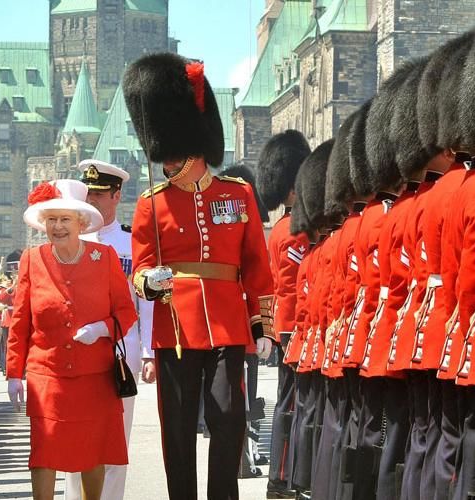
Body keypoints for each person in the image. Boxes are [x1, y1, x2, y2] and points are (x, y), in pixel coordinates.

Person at [124, 53, 275, 500]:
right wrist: (149, 282)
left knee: (229, 418)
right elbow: (140, 269)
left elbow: (256, 264)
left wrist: (263, 323)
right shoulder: (151, 202)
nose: (168, 165)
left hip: (227, 323)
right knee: (177, 429)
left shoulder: (237, 194)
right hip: (175, 327)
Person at [6, 179, 137, 500]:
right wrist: (13, 374)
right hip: (46, 374)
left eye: (65, 219)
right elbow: (20, 320)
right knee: (44, 452)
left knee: (92, 451)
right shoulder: (32, 259)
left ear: (81, 223)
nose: (58, 227)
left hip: (94, 376)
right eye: (51, 219)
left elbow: (126, 312)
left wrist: (101, 329)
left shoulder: (104, 257)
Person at [63, 159, 156, 500]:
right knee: (75, 439)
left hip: (120, 349)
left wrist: (148, 352)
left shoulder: (132, 243)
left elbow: (145, 302)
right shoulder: (70, 240)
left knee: (116, 440)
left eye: (100, 195)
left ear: (116, 196)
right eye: (88, 194)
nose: (92, 200)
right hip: (77, 351)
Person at [253, 130, 312, 499]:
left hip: (283, 324)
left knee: (287, 400)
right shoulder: (296, 234)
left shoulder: (279, 229)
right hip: (296, 325)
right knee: (293, 404)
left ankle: (281, 476)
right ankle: (282, 477)